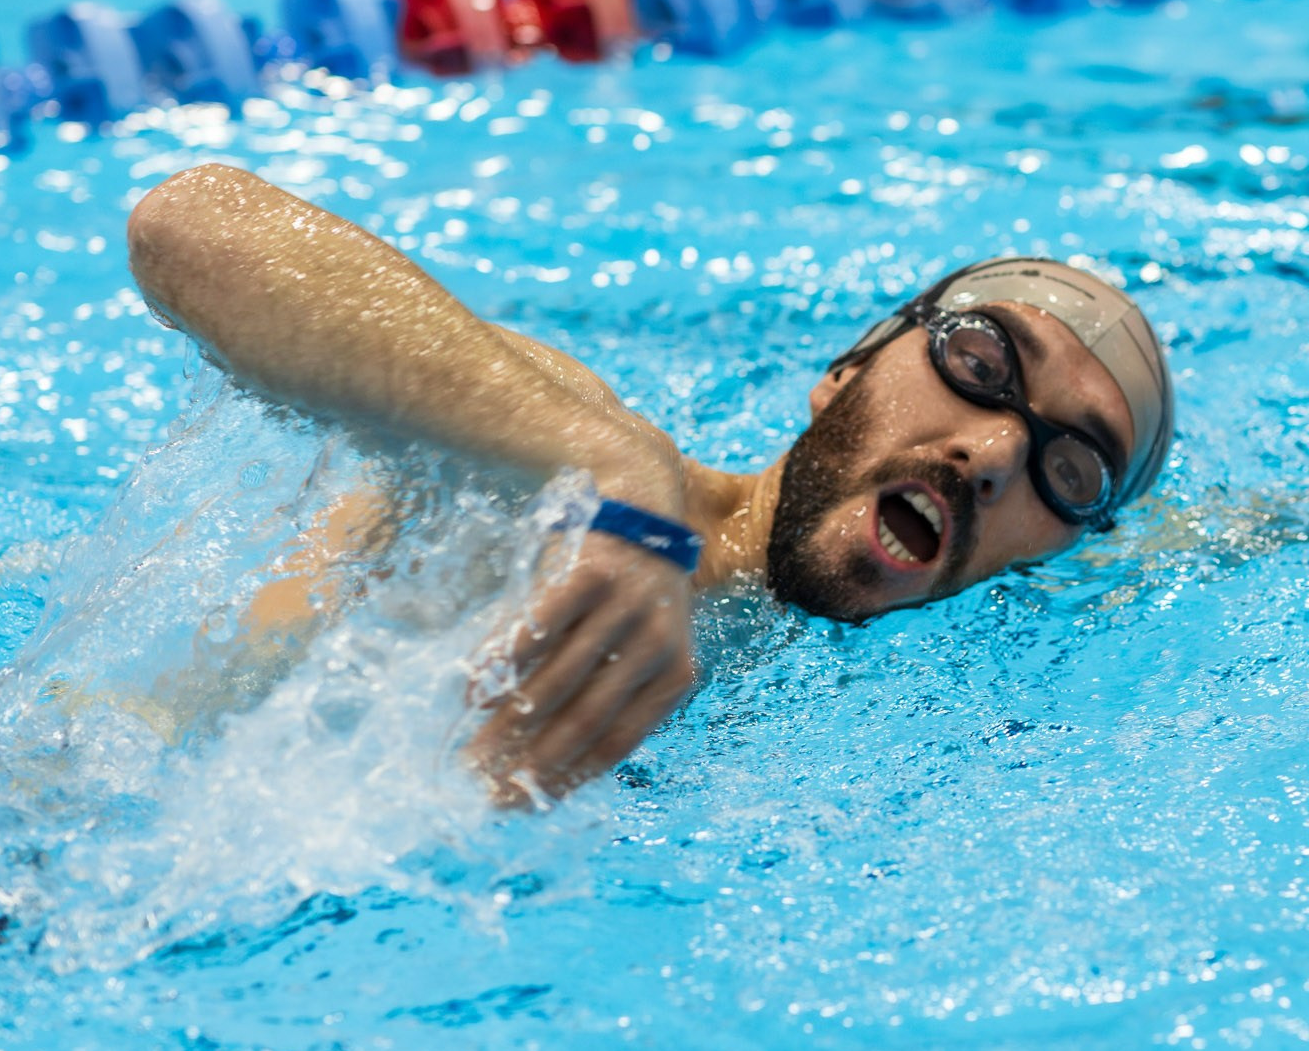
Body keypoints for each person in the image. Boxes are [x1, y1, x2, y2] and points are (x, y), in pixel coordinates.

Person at [124, 163, 1175, 802]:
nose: (993, 455)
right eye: (979, 367)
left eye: (1069, 469)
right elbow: (189, 225)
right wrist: (617, 481)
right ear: (846, 370)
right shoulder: (566, 462)